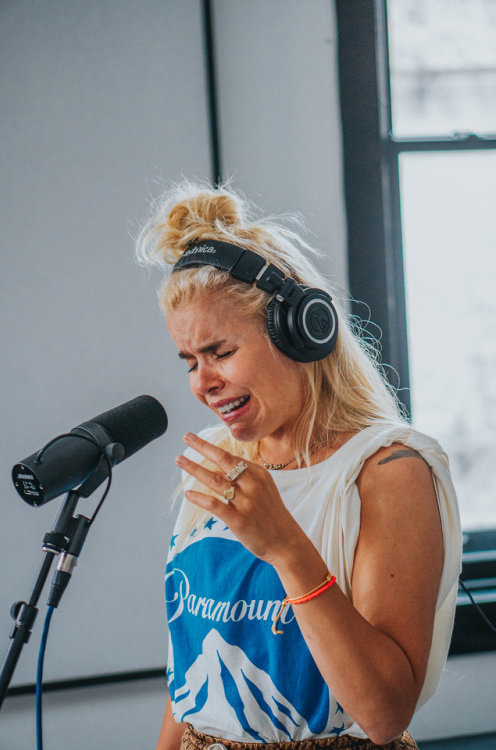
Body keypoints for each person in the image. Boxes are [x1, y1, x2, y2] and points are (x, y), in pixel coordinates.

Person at [136, 181, 461, 750]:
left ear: (301, 332)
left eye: (221, 352)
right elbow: (191, 665)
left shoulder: (388, 471)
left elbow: (384, 713)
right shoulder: (219, 460)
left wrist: (286, 546)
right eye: (189, 360)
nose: (202, 383)